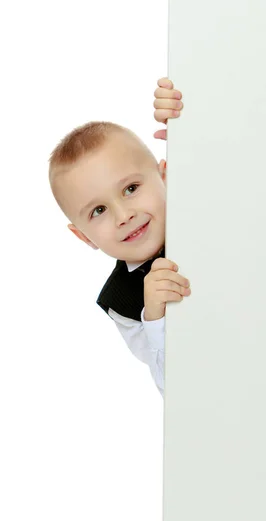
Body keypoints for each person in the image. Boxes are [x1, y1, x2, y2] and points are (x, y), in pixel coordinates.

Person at [48, 78, 190, 397]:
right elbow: (172, 387)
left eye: (130, 189)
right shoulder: (122, 301)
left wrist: (187, 121)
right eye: (98, 210)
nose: (123, 215)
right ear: (84, 237)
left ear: (165, 175)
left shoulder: (199, 206)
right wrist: (155, 316)